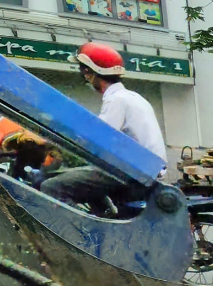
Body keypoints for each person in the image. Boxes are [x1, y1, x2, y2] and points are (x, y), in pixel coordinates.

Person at [42, 43, 166, 207]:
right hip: (143, 171)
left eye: (84, 71)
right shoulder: (131, 97)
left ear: (90, 73)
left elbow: (99, 141)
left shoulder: (116, 100)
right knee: (84, 179)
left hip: (131, 175)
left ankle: (70, 232)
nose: (84, 76)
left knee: (51, 186)